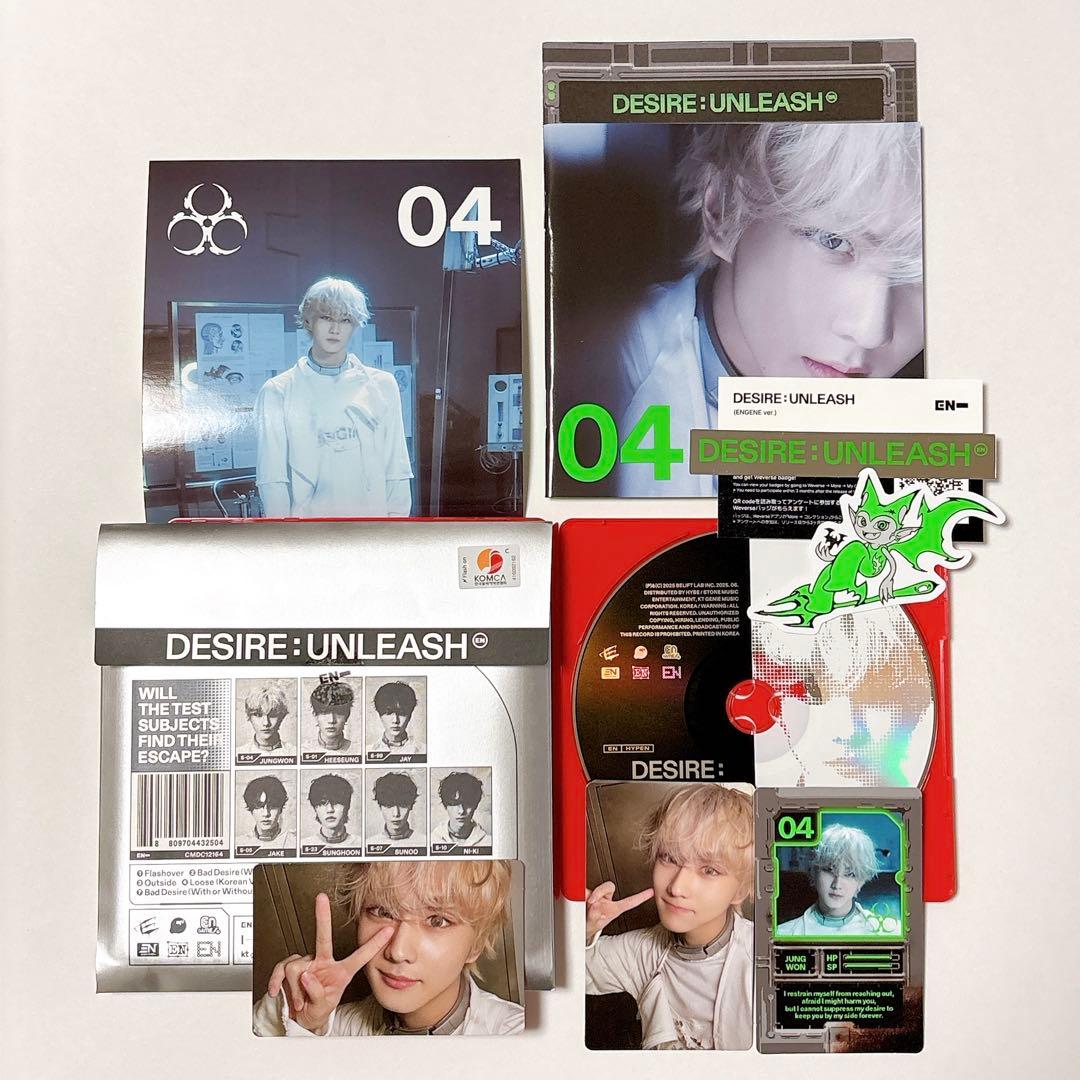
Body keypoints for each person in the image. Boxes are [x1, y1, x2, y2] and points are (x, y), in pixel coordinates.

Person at [612, 123, 924, 496]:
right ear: (723, 211)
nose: (871, 331)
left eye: (921, 272)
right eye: (833, 241)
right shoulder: (596, 379)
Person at [252, 861, 523, 1036]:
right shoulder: (335, 1029)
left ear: (476, 945)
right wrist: (295, 1020)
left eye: (437, 920)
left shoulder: (515, 1035)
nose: (398, 951)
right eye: (382, 911)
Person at [585, 784, 754, 1050]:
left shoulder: (767, 960)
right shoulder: (642, 952)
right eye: (669, 857)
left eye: (709, 870)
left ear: (741, 890)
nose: (676, 887)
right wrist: (583, 928)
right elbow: (575, 970)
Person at [254, 276, 413, 517]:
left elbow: (397, 467)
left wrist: (396, 528)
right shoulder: (278, 391)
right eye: (326, 318)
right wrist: (285, 536)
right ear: (308, 321)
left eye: (345, 320)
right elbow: (272, 479)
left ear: (355, 325)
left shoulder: (382, 386)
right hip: (311, 530)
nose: (335, 329)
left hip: (373, 526)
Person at [776, 823, 886, 936]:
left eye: (850, 874)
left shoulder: (887, 932)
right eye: (829, 870)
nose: (837, 885)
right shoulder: (784, 933)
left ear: (861, 882)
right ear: (814, 873)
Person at [431, 772, 489, 849]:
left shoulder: (488, 842)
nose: (461, 811)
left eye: (467, 803)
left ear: (475, 805)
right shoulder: (432, 840)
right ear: (446, 806)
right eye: (455, 804)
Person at [367, 681, 423, 759]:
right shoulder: (367, 751)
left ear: (410, 715)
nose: (395, 720)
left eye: (402, 713)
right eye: (388, 713)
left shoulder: (423, 751)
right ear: (380, 715)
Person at [366, 772, 421, 849]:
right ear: (380, 807)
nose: (396, 814)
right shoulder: (369, 844)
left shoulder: (423, 842)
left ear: (411, 806)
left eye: (402, 805)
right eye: (389, 806)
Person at [239, 775, 294, 849]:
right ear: (251, 809)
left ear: (280, 809)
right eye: (259, 806)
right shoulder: (239, 843)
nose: (266, 813)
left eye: (272, 806)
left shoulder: (293, 842)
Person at [236, 684, 291, 758]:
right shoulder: (238, 753)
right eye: (258, 715)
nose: (266, 723)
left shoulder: (294, 752)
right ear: (249, 716)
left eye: (272, 715)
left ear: (282, 717)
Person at [303, 774, 357, 848]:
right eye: (322, 803)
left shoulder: (360, 843)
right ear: (315, 808)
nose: (330, 810)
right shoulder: (304, 845)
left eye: (336, 802)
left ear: (347, 806)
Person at [304, 681, 355, 756]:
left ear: (347, 715)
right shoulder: (304, 750)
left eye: (339, 712)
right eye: (324, 713)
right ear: (315, 715)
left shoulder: (358, 749)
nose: (331, 720)